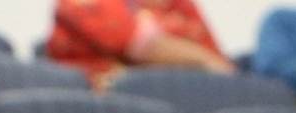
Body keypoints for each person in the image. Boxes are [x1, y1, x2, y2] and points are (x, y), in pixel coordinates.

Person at [46, 0, 229, 78]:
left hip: (175, 106)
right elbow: (126, 39)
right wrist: (201, 59)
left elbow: (221, 65)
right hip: (102, 108)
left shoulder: (177, 4)